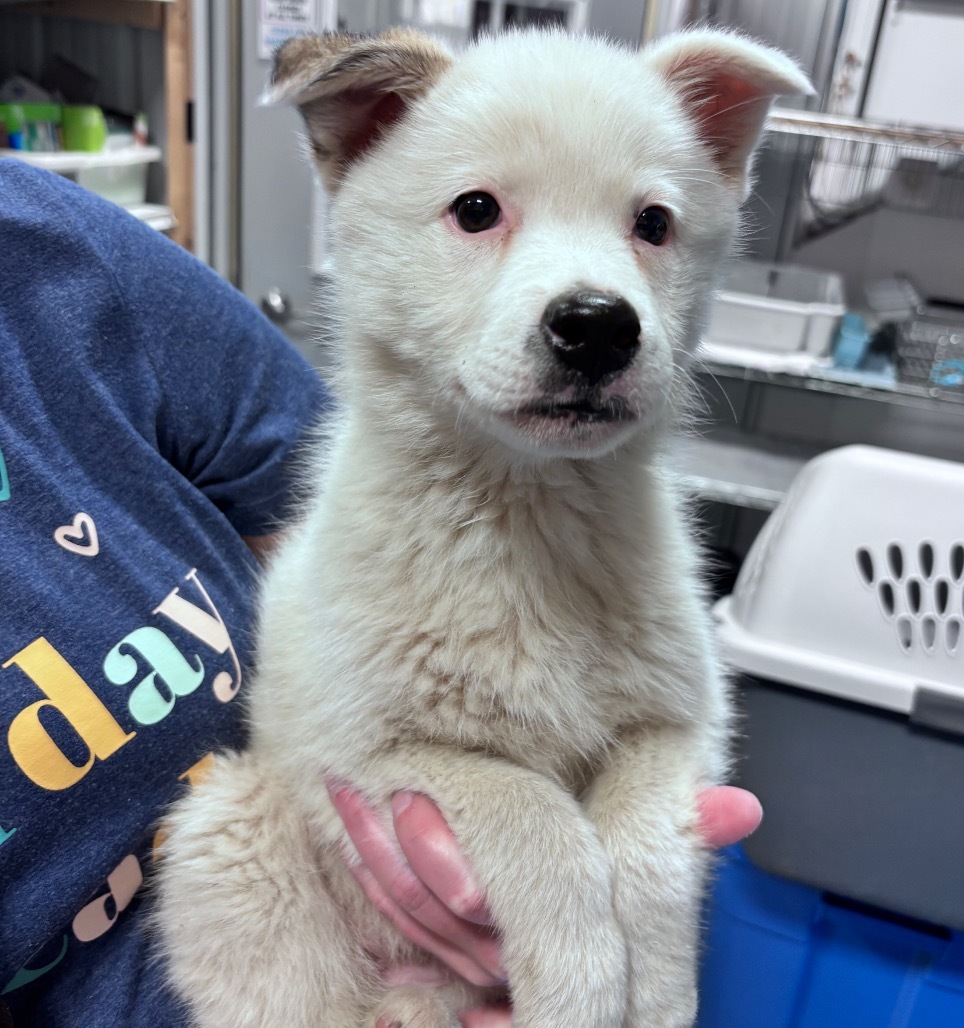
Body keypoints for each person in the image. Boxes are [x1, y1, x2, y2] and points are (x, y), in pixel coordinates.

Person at [0, 160, 760, 1027]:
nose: (592, 292)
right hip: (280, 953)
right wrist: (539, 861)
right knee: (225, 842)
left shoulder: (44, 245)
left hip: (395, 914)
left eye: (652, 226)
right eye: (479, 212)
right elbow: (356, 741)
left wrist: (646, 914)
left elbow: (666, 728)